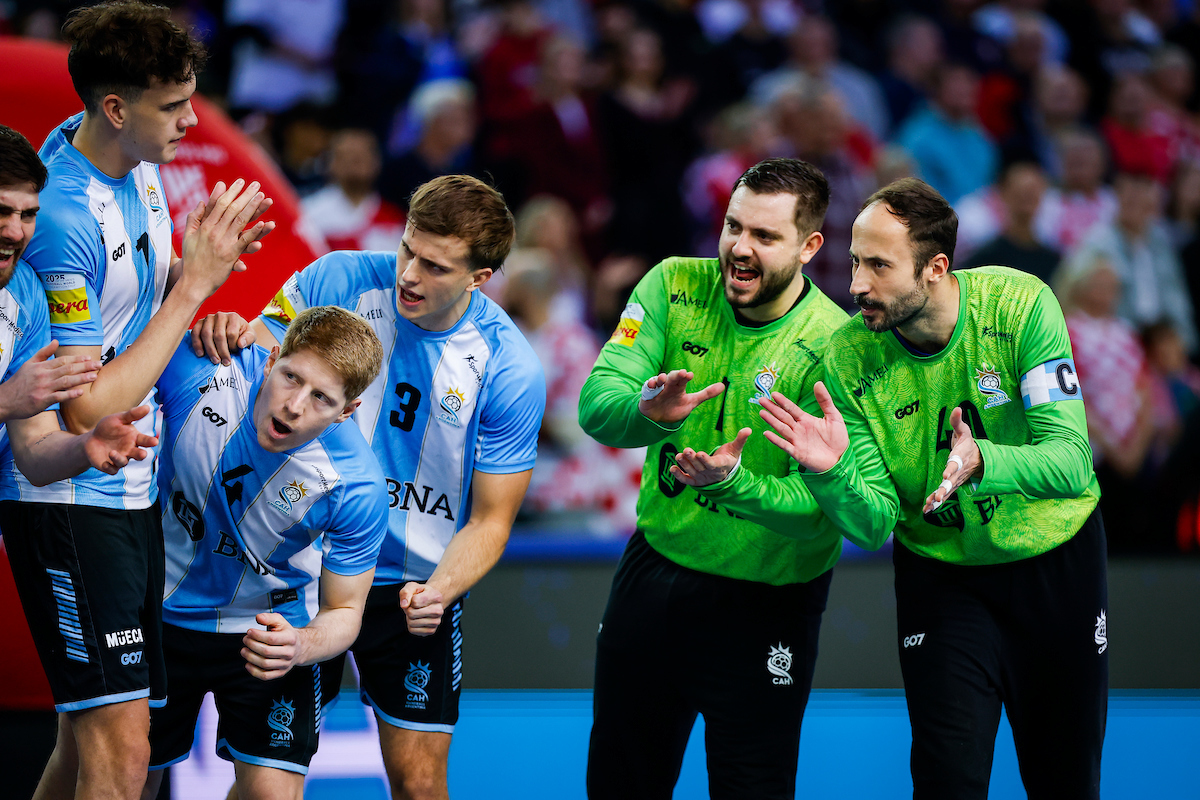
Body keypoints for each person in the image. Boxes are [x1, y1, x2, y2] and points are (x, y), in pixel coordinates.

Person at [196, 173, 546, 800]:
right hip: (298, 573)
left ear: (480, 278)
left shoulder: (510, 366)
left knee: (419, 784)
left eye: (435, 266)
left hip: (411, 589)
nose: (410, 273)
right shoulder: (336, 279)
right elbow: (260, 362)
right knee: (265, 783)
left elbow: (492, 521)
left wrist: (439, 592)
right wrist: (232, 328)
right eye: (408, 248)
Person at [760, 177, 1107, 798]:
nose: (856, 284)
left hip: (1058, 568)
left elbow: (1072, 461)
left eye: (878, 266)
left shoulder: (1019, 304)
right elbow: (871, 526)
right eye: (855, 261)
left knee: (1066, 781)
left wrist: (986, 462)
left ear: (935, 268)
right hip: (943, 580)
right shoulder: (846, 357)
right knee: (947, 780)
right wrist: (831, 472)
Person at [4, 4, 273, 800]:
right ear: (116, 109)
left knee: (85, 748)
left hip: (131, 487)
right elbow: (83, 408)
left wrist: (209, 315)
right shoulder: (58, 220)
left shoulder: (132, 162)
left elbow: (138, 332)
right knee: (124, 755)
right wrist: (196, 286)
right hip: (67, 493)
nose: (193, 120)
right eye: (174, 105)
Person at [579, 158, 854, 799]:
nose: (739, 247)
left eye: (764, 235)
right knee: (618, 784)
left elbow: (822, 512)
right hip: (656, 574)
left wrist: (737, 486)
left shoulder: (839, 346)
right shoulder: (672, 285)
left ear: (811, 246)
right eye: (733, 226)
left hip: (770, 599)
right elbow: (598, 404)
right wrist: (646, 413)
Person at [140, 305, 388, 800]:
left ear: (348, 411)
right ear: (272, 356)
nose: (295, 405)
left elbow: (344, 610)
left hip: (267, 637)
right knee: (124, 783)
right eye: (291, 377)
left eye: (322, 398)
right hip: (156, 617)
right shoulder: (201, 370)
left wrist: (301, 645)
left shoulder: (357, 484)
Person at [0, 125, 158, 487]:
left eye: (27, 215)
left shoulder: (27, 296)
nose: (14, 231)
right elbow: (11, 401)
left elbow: (34, 447)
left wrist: (85, 446)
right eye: (1, 211)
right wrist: (6, 400)